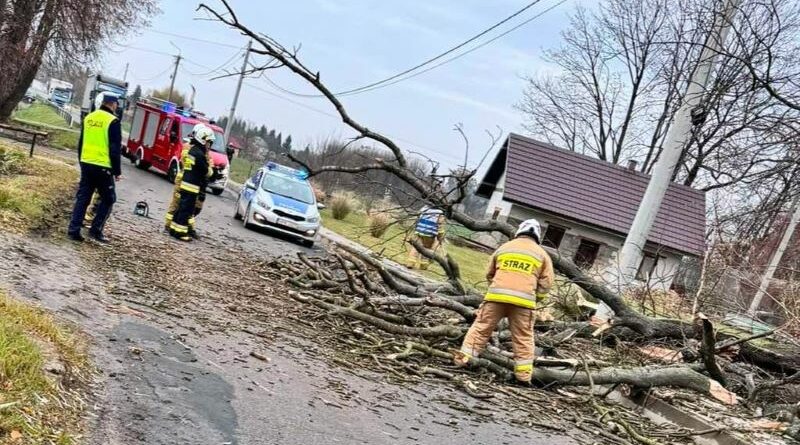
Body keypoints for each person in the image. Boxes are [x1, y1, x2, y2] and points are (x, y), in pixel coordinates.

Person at [453, 219, 555, 384]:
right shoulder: (542, 254)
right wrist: (535, 298)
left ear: (518, 232)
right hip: (523, 304)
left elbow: (489, 274)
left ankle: (464, 360)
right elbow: (546, 283)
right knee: (523, 337)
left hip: (495, 299)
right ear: (537, 236)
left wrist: (497, 288)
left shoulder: (504, 248)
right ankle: (523, 377)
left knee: (480, 329)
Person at [67, 93, 122, 243]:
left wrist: (82, 160)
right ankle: (95, 230)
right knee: (109, 198)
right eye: (116, 103)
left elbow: (81, 142)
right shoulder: (113, 121)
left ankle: (73, 230)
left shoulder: (89, 118)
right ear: (111, 104)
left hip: (86, 163)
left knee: (83, 197)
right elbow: (114, 149)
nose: (117, 106)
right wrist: (117, 171)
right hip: (103, 166)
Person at [164, 124, 213, 238]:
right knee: (179, 206)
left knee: (190, 208)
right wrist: (208, 169)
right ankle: (172, 227)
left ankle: (186, 228)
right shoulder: (190, 149)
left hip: (194, 183)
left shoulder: (201, 151)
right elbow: (202, 167)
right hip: (186, 181)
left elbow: (210, 163)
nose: (209, 145)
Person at [406, 205, 446, 270]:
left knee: (415, 247)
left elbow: (417, 220)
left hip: (419, 231)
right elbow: (440, 227)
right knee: (426, 249)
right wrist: (440, 237)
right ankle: (423, 265)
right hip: (429, 234)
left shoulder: (424, 209)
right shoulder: (439, 214)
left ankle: (410, 263)